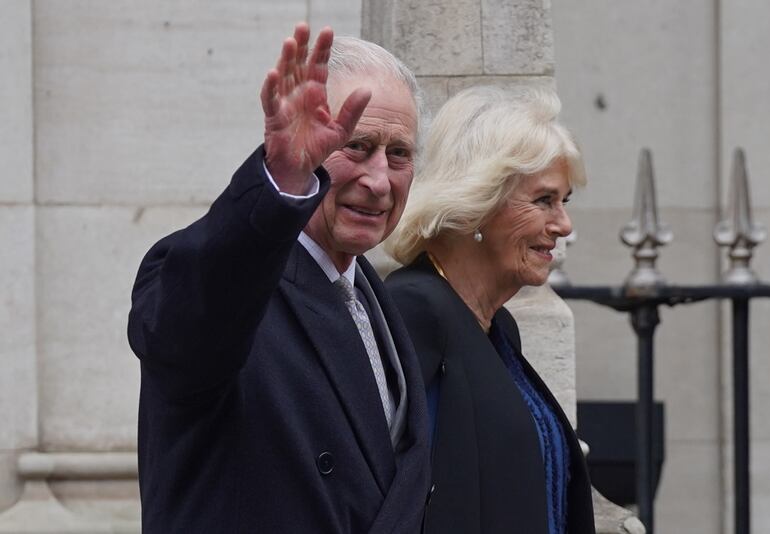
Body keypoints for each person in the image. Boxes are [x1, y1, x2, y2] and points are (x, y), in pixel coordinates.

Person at [127, 23, 431, 533]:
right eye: (355, 146)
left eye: (398, 154)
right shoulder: (216, 279)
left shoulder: (375, 296)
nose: (379, 181)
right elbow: (195, 318)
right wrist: (281, 183)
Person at [384, 85, 596, 534]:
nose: (564, 225)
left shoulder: (497, 325)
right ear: (478, 203)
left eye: (564, 202)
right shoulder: (416, 309)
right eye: (544, 200)